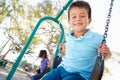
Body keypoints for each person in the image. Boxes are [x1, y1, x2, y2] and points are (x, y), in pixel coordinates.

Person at [41, 1, 111, 80]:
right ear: (69, 22)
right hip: (61, 69)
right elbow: (71, 53)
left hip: (79, 75)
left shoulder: (97, 38)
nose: (78, 19)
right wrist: (63, 51)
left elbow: (106, 55)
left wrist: (106, 53)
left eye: (82, 16)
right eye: (74, 17)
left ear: (89, 20)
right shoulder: (68, 36)